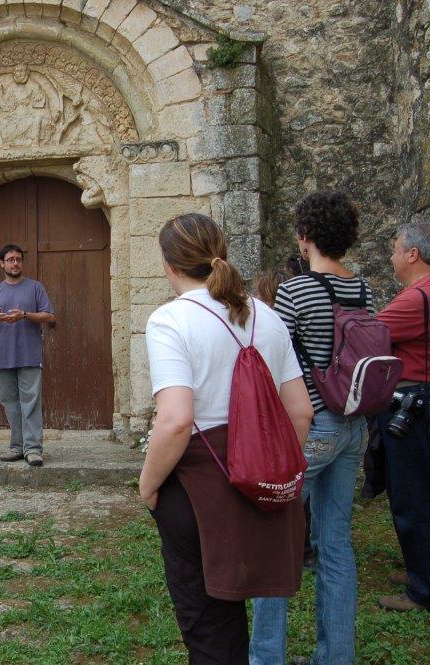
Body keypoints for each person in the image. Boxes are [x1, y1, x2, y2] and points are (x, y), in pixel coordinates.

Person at [139, 213, 313, 663]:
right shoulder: (267, 316)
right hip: (259, 477)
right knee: (231, 606)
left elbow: (176, 419)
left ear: (168, 264)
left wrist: (148, 484)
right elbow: (301, 411)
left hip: (198, 481)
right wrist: (271, 471)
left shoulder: (170, 320)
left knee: (208, 625)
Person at [250, 191, 373, 665]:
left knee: (274, 542)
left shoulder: (297, 290)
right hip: (352, 425)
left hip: (309, 427)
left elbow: (271, 357)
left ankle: (266, 658)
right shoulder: (360, 288)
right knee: (336, 543)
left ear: (304, 237)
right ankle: (336, 657)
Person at [374, 223, 430, 612]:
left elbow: (371, 333)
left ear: (412, 254)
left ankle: (427, 590)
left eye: (395, 249)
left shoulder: (420, 298)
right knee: (414, 494)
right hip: (426, 402)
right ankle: (423, 571)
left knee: (414, 499)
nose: (392, 257)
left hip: (414, 404)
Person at [0, 244, 56, 467]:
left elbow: (50, 316)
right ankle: (16, 447)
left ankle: (33, 450)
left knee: (30, 402)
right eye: (10, 260)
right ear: (2, 263)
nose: (15, 263)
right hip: (2, 356)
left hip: (29, 355)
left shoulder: (35, 288)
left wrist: (25, 315)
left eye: (18, 259)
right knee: (10, 403)